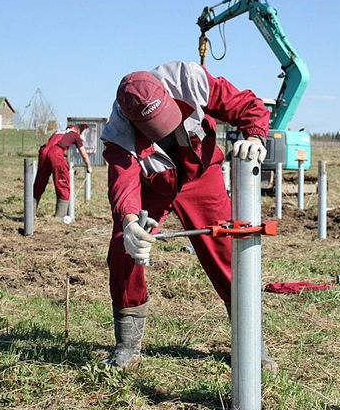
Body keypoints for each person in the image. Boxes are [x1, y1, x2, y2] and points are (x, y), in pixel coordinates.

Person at [101, 60, 277, 372]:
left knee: (228, 250)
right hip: (153, 185)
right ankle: (127, 346)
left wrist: (253, 136)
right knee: (123, 250)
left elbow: (246, 105)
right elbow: (123, 181)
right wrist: (129, 222)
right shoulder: (118, 132)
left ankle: (252, 343)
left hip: (201, 173)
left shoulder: (190, 78)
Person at [34, 123, 93, 219]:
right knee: (63, 184)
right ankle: (60, 217)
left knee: (39, 184)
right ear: (78, 130)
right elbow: (84, 154)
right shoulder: (75, 135)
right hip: (57, 153)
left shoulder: (57, 132)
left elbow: (50, 144)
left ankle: (30, 214)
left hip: (44, 152)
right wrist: (89, 166)